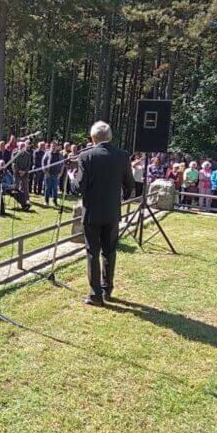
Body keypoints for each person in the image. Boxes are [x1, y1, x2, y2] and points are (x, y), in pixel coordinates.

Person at [77, 121, 134, 307]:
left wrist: (71, 180)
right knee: (109, 252)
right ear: (110, 137)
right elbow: (130, 185)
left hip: (92, 213)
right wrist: (121, 198)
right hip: (111, 212)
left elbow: (79, 187)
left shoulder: (86, 156)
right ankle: (107, 289)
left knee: (92, 253)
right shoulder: (122, 156)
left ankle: (96, 295)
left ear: (93, 138)